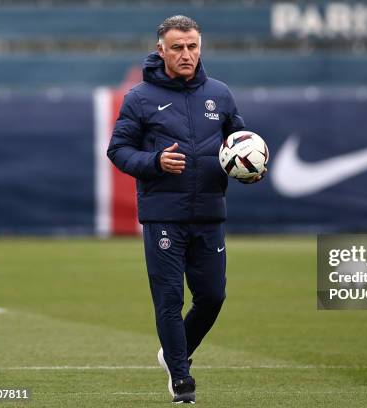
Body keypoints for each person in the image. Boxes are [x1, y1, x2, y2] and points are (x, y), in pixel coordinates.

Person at [107, 15, 262, 404]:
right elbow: (119, 150)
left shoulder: (221, 95)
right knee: (169, 299)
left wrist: (250, 168)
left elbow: (240, 143)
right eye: (177, 47)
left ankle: (173, 353)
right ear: (161, 50)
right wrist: (155, 162)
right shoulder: (139, 98)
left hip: (209, 212)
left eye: (192, 46)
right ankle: (181, 377)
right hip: (163, 215)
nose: (186, 54)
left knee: (213, 297)